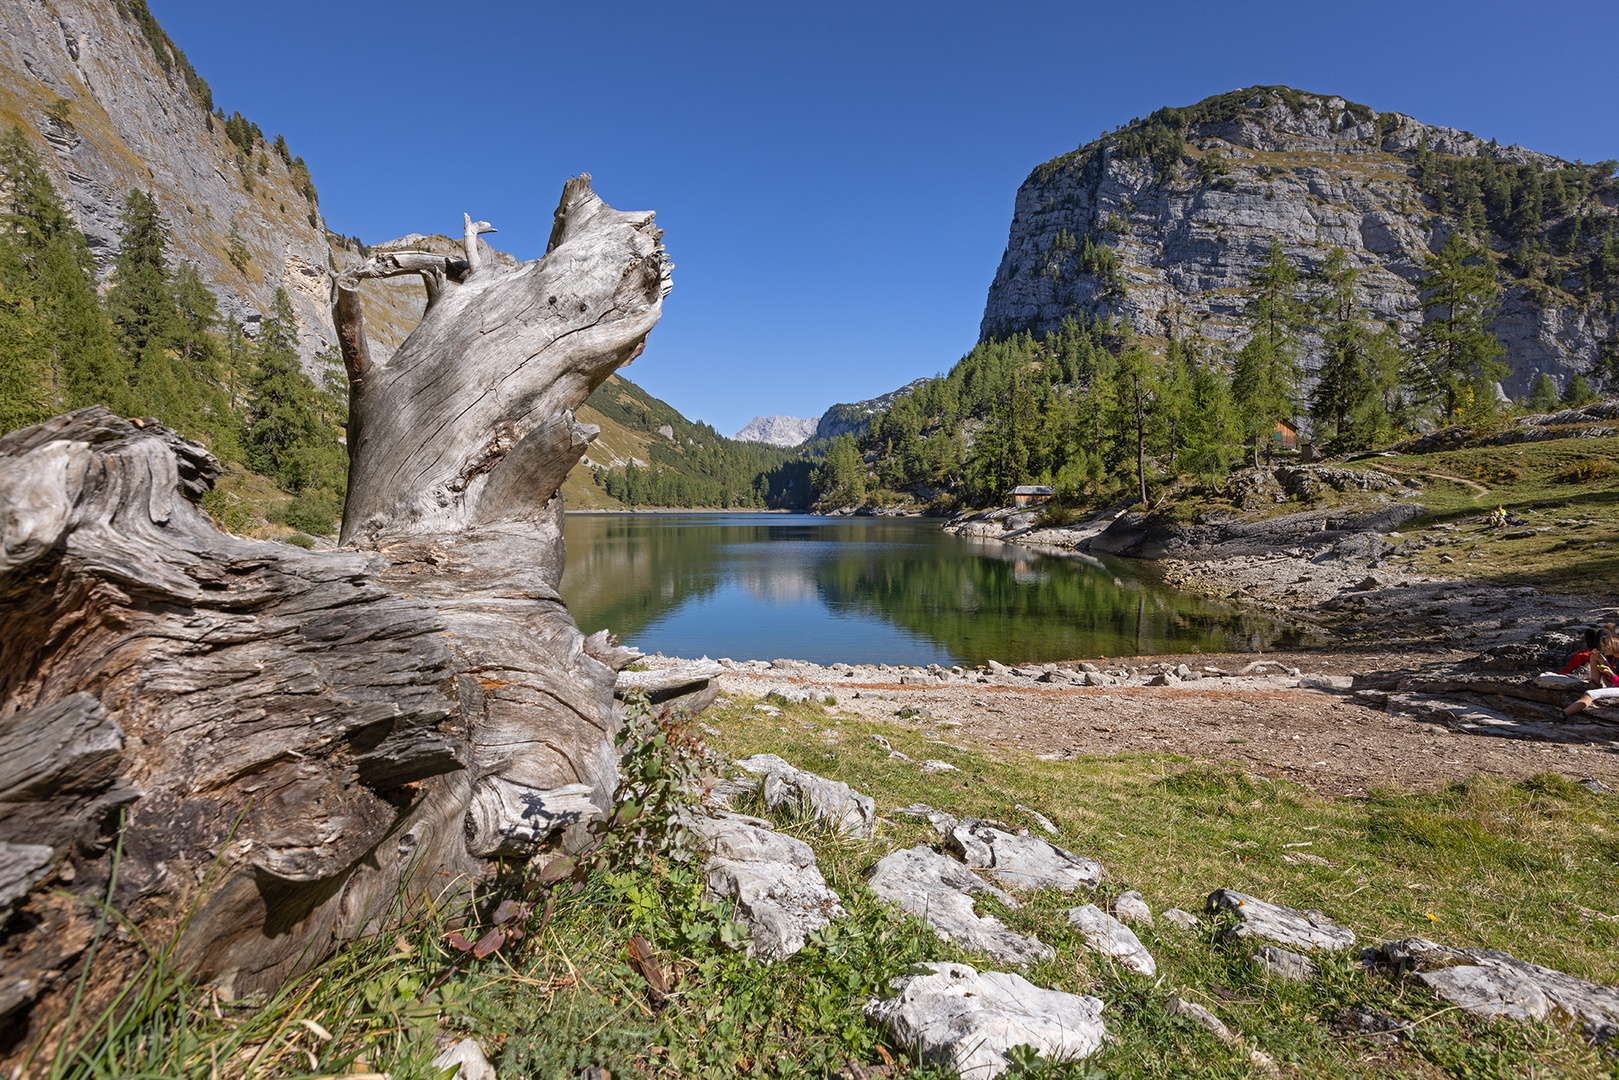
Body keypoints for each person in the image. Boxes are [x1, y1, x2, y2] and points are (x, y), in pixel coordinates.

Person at [1564, 624, 1619, 716]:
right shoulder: (1615, 658)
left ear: (1612, 646)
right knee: (1594, 656)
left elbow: (1615, 678)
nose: (1603, 649)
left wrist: (1611, 675)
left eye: (1604, 646)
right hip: (1614, 683)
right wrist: (1603, 663)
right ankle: (1594, 683)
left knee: (1590, 693)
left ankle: (1563, 714)